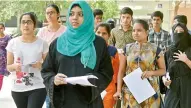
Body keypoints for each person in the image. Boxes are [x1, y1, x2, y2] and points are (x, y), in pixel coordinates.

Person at [41, 1, 113, 108]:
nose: (75, 18)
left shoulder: (98, 43)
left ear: (88, 17)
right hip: (63, 100)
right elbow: (47, 70)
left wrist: (92, 80)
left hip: (88, 101)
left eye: (80, 14)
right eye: (71, 14)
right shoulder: (58, 43)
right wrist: (53, 80)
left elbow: (106, 72)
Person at [114, 19, 165, 107]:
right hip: (130, 91)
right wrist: (118, 90)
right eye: (134, 30)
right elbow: (121, 71)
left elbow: (163, 70)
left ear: (147, 32)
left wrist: (151, 73)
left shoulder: (155, 49)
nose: (135, 33)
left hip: (150, 91)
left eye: (139, 30)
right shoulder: (127, 49)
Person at [6, 12, 48, 108]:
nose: (26, 25)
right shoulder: (12, 43)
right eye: (23, 22)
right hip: (18, 87)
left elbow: (48, 66)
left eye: (29, 22)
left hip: (38, 86)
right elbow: (8, 67)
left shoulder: (42, 43)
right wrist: (15, 66)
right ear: (20, 25)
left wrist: (40, 65)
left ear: (34, 25)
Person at [37, 4, 66, 108]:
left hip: (61, 68)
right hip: (46, 68)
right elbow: (37, 49)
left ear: (58, 14)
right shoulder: (42, 31)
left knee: (59, 98)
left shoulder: (65, 31)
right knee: (48, 100)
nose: (49, 15)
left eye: (52, 12)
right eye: (47, 13)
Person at [163, 23, 191, 108]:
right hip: (173, 89)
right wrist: (165, 80)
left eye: (181, 31)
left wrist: (186, 60)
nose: (178, 33)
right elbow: (164, 71)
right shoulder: (169, 51)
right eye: (176, 31)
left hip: (188, 88)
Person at [95, 23, 119, 108]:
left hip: (108, 89)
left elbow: (116, 73)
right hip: (92, 87)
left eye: (104, 33)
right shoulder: (89, 49)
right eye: (98, 32)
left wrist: (117, 90)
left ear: (109, 35)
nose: (101, 35)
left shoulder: (113, 51)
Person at [0, 23, 11, 91]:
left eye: (1, 28)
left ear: (4, 28)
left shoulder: (8, 37)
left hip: (3, 61)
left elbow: (10, 48)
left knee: (0, 77)